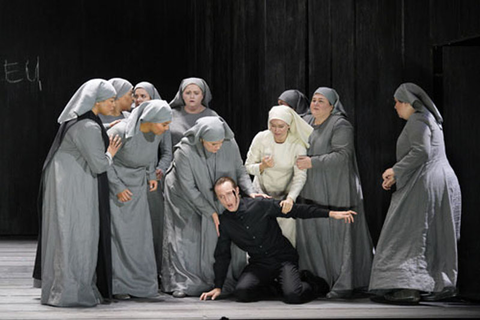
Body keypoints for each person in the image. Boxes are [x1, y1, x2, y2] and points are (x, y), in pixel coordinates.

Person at [369, 83, 462, 304]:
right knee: (437, 232)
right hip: (443, 180)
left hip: (426, 181)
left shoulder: (418, 119)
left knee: (406, 232)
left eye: (397, 102)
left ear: (408, 103)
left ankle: (406, 287)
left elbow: (421, 151)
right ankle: (441, 284)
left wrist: (395, 169)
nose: (395, 107)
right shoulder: (431, 120)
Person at [199, 177, 357, 304]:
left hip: (283, 259)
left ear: (237, 191)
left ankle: (313, 283)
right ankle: (277, 288)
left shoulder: (260, 205)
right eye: (221, 197)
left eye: (229, 193)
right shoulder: (225, 222)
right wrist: (218, 287)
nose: (227, 200)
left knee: (293, 297)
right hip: (260, 264)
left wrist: (331, 214)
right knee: (242, 293)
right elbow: (222, 254)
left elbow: (296, 210)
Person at [37, 79, 122, 307]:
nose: (114, 106)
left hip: (68, 184)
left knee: (67, 234)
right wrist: (111, 152)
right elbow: (99, 165)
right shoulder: (88, 127)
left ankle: (63, 288)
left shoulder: (79, 121)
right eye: (111, 100)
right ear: (96, 101)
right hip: (75, 188)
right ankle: (72, 292)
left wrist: (104, 129)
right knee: (78, 234)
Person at [161, 116, 255, 298]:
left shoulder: (229, 143)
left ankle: (221, 279)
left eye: (220, 143)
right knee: (189, 236)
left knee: (221, 230)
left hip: (216, 193)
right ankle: (185, 281)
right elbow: (189, 188)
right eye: (213, 144)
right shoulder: (185, 151)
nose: (217, 147)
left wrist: (250, 192)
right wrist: (210, 211)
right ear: (201, 139)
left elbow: (239, 170)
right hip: (184, 198)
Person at [295, 87, 374, 298]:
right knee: (314, 231)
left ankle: (343, 284)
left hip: (337, 187)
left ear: (332, 105)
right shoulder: (306, 122)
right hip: (312, 187)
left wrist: (312, 162)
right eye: (313, 100)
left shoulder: (340, 124)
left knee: (338, 234)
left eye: (321, 101)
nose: (315, 104)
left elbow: (342, 155)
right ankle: (318, 281)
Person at [106, 99, 172, 300]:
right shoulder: (121, 132)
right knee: (120, 237)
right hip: (118, 189)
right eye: (164, 124)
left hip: (138, 188)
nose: (167, 128)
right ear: (150, 119)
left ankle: (141, 284)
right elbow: (103, 160)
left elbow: (151, 156)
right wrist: (117, 187)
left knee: (140, 237)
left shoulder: (155, 133)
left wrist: (151, 174)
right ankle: (119, 285)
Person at [245, 105, 313, 246]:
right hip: (261, 193)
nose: (276, 130)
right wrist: (262, 166)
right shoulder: (261, 138)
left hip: (285, 195)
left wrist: (291, 198)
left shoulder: (297, 144)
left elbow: (300, 176)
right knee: (258, 236)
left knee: (286, 237)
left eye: (281, 126)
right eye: (273, 125)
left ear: (288, 125)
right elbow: (247, 167)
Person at [132, 81, 172, 282]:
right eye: (136, 96)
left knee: (154, 226)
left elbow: (167, 152)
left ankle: (154, 271)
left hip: (152, 181)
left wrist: (160, 170)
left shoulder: (160, 119)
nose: (138, 100)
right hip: (131, 179)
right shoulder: (129, 119)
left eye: (143, 96)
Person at [168, 77, 219, 147]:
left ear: (203, 95)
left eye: (196, 93)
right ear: (182, 95)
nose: (192, 96)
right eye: (188, 93)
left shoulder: (212, 116)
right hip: (175, 156)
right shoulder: (170, 115)